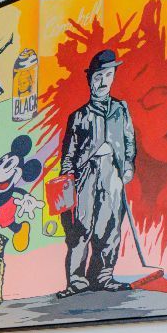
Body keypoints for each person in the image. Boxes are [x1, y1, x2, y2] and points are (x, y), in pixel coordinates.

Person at [57, 49, 137, 294]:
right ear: (90, 79)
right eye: (98, 77)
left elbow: (129, 140)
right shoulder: (78, 116)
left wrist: (128, 166)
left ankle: (103, 277)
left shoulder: (121, 109)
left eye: (108, 76)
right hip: (85, 176)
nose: (103, 82)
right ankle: (76, 280)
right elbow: (69, 153)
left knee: (110, 226)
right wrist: (67, 180)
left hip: (113, 174)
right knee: (81, 228)